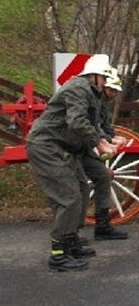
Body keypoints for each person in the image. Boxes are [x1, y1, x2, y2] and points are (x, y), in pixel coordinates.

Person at [26, 53, 118, 271]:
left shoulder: (91, 93)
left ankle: (71, 241)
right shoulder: (78, 88)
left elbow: (93, 124)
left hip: (65, 148)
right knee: (68, 198)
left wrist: (106, 139)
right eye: (104, 78)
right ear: (94, 76)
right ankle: (58, 254)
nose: (106, 82)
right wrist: (100, 144)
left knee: (81, 191)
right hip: (47, 146)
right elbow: (77, 122)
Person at [78, 67, 129, 241]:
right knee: (73, 191)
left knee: (103, 176)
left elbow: (103, 125)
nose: (113, 93)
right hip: (74, 146)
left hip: (85, 146)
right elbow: (90, 126)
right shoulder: (88, 97)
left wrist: (112, 136)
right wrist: (105, 141)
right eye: (111, 89)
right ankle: (68, 237)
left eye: (115, 91)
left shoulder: (101, 102)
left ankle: (102, 225)